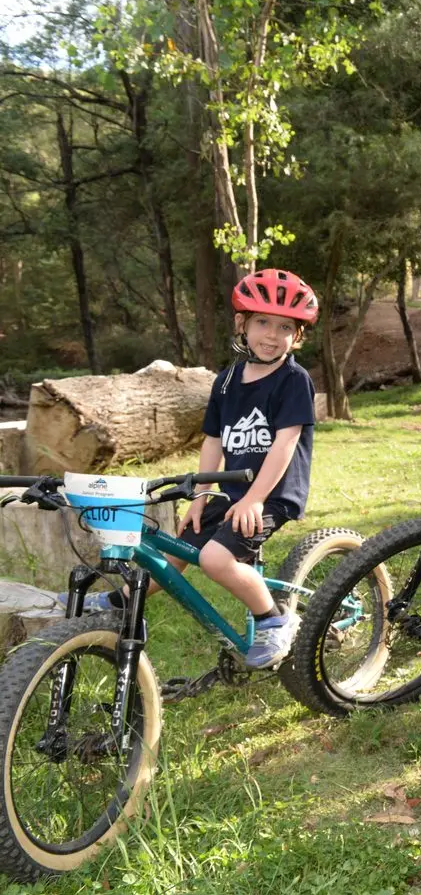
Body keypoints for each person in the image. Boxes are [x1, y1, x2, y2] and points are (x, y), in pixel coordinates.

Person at [87, 268, 320, 670]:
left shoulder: (293, 380)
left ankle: (275, 619)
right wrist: (201, 494)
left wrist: (255, 499)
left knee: (215, 560)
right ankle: (123, 600)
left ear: (297, 336)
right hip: (231, 491)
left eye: (285, 327)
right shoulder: (228, 380)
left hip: (272, 495)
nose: (271, 334)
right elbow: (214, 439)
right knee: (181, 541)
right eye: (262, 322)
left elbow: (285, 445)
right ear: (241, 324)